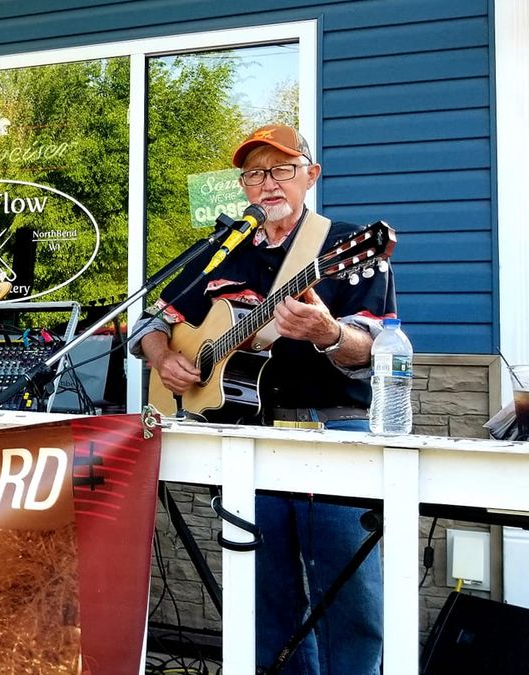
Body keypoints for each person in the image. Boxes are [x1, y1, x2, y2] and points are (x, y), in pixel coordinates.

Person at [129, 124, 395, 674]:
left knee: (349, 597)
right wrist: (163, 357)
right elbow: (150, 324)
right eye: (254, 173)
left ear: (310, 176)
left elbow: (369, 350)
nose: (267, 184)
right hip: (248, 440)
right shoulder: (226, 251)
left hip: (331, 433)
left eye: (281, 169)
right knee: (264, 595)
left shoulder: (347, 247)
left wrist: (327, 333)